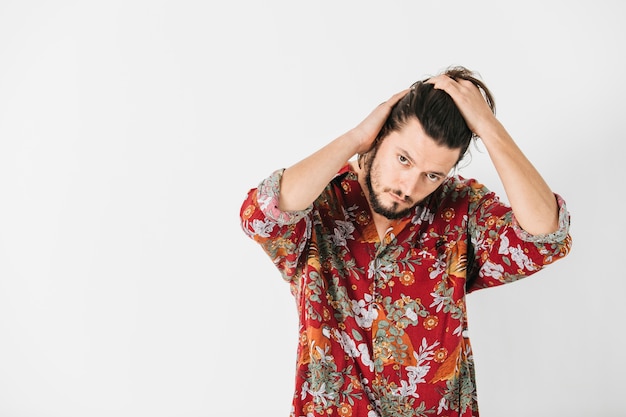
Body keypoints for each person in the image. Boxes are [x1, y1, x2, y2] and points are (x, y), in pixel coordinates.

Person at [239, 66, 572, 417]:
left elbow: (545, 237)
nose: (408, 187)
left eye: (431, 175)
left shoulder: (461, 210)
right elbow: (262, 214)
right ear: (379, 136)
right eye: (403, 159)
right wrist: (354, 137)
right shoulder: (319, 201)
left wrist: (489, 128)